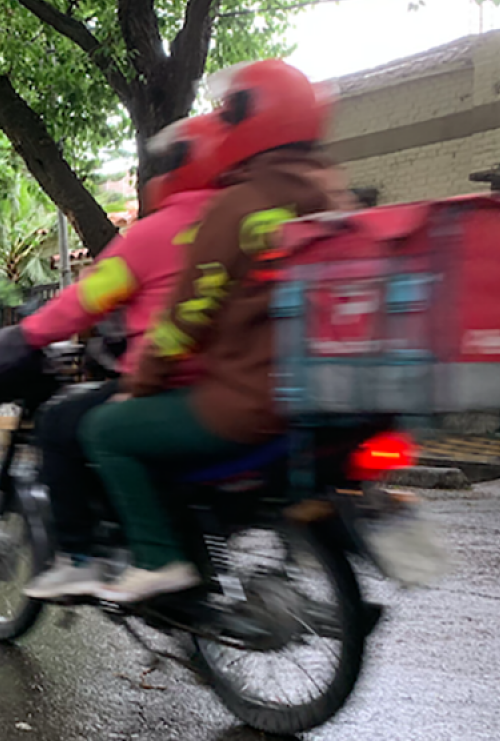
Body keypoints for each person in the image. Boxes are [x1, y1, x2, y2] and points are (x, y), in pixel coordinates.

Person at [77, 59, 348, 604]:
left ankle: (158, 560)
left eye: (228, 115)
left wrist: (144, 381)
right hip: (326, 398)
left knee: (106, 430)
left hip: (249, 401)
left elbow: (187, 317)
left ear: (252, 120)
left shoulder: (240, 206)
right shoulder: (334, 197)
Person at [12, 113, 230, 601]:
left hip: (171, 383)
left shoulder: (155, 234)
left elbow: (86, 299)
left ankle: (80, 558)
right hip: (235, 381)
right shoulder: (242, 222)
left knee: (64, 422)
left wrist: (27, 334)